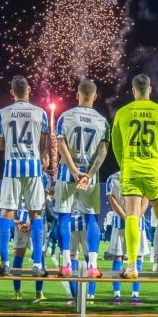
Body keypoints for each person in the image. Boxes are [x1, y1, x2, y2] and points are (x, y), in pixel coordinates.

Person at [110, 74, 158, 279]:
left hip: (131, 168)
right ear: (150, 89)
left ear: (133, 91)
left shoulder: (123, 112)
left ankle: (132, 266)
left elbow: (116, 144)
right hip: (152, 169)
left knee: (132, 215)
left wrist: (125, 163)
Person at [0, 76, 51, 277]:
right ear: (29, 89)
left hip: (12, 167)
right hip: (33, 167)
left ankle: (5, 263)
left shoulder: (3, 113)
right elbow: (44, 145)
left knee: (6, 214)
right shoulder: (41, 113)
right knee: (36, 213)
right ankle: (37, 264)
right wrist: (42, 155)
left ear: (12, 92)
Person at [53, 79, 110, 280]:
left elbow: (61, 145)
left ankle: (67, 264)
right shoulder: (102, 120)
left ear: (78, 94)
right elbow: (103, 150)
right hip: (90, 174)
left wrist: (74, 171)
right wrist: (89, 175)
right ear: (94, 96)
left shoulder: (65, 117)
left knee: (64, 216)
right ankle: (93, 266)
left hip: (66, 172)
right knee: (91, 217)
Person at [106, 171, 148, 304]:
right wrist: (131, 218)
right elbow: (112, 200)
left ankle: (134, 295)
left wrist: (131, 218)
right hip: (121, 224)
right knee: (118, 256)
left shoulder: (141, 175)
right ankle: (117, 295)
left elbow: (146, 199)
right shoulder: (113, 178)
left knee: (136, 256)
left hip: (135, 223)